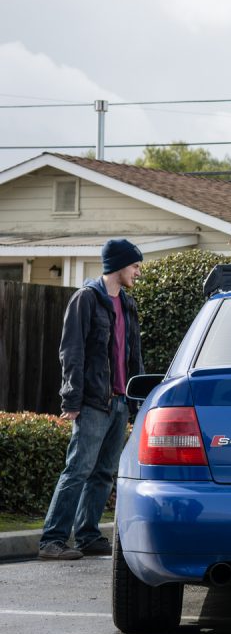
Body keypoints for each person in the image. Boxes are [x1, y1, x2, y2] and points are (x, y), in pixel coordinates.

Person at [38, 238, 144, 560]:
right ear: (118, 266)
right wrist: (71, 400)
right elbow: (71, 352)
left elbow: (133, 356)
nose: (138, 272)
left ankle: (87, 535)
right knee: (78, 469)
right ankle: (52, 540)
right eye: (135, 266)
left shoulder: (127, 304)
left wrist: (136, 401)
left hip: (120, 402)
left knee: (103, 473)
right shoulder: (86, 300)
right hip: (93, 403)